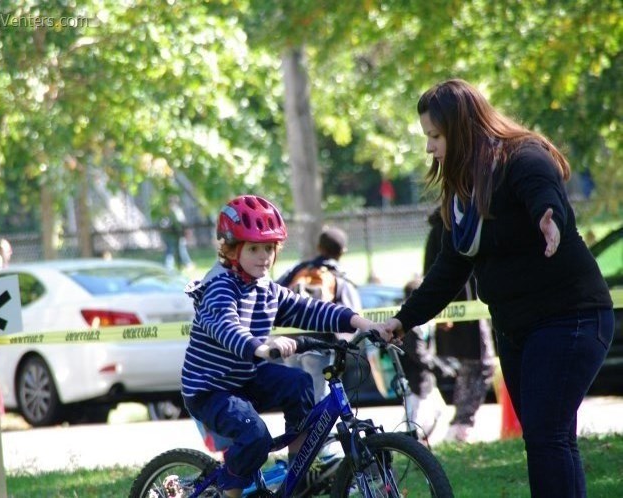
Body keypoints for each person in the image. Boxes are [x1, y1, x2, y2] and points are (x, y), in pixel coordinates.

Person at [374, 79, 613, 497]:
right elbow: (449, 270)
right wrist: (403, 319)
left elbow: (543, 191)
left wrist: (549, 217)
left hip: (570, 317)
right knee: (548, 438)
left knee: (546, 436)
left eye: (435, 136)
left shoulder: (522, 157)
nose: (430, 148)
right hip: (516, 327)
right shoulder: (462, 194)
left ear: (462, 129)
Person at [181, 194, 383, 497]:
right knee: (254, 434)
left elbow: (310, 309)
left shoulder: (266, 288)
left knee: (300, 384)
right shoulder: (220, 287)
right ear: (232, 250)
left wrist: (361, 323)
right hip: (210, 388)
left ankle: (297, 473)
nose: (264, 256)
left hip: (245, 376)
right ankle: (229, 493)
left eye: (269, 249)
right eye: (253, 248)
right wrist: (259, 347)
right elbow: (225, 326)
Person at [424, 207, 497, 442]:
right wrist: (441, 311)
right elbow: (432, 271)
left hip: (475, 306)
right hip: (460, 309)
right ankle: (461, 424)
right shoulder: (443, 228)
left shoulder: (469, 220)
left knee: (477, 365)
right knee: (479, 363)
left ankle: (460, 424)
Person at [276, 226, 362, 403]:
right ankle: (321, 431)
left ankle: (299, 429)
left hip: (289, 342)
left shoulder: (298, 269)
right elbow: (353, 317)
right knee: (320, 397)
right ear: (342, 252)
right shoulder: (340, 277)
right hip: (319, 345)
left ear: (319, 247)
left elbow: (275, 295)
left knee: (295, 396)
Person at [397, 278, 455, 439]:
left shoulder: (420, 319)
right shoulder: (409, 325)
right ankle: (410, 449)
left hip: (426, 381)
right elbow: (419, 354)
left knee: (438, 414)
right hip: (415, 382)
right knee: (413, 423)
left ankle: (420, 447)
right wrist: (441, 367)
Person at [160, 195, 194, 272]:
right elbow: (182, 222)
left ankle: (184, 264)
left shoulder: (166, 211)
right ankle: (170, 266)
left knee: (175, 249)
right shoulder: (176, 211)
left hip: (169, 234)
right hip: (175, 234)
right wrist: (185, 231)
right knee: (175, 250)